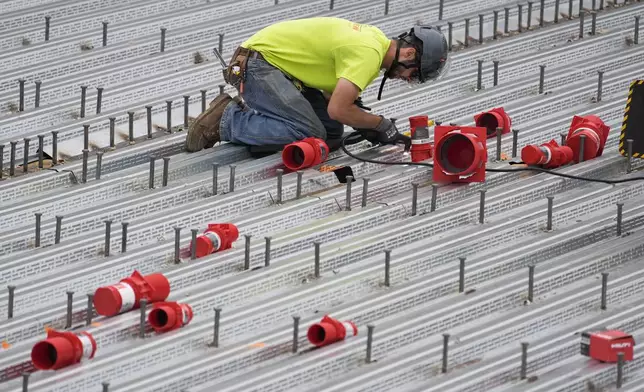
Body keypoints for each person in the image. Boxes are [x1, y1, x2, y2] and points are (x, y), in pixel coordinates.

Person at [185, 17, 450, 153]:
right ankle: (226, 121)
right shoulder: (369, 54)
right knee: (309, 133)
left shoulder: (375, 41)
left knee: (331, 133)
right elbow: (338, 107)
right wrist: (380, 125)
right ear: (409, 54)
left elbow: (331, 93)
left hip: (277, 68)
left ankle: (264, 119)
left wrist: (364, 123)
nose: (407, 79)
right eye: (413, 74)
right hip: (258, 66)